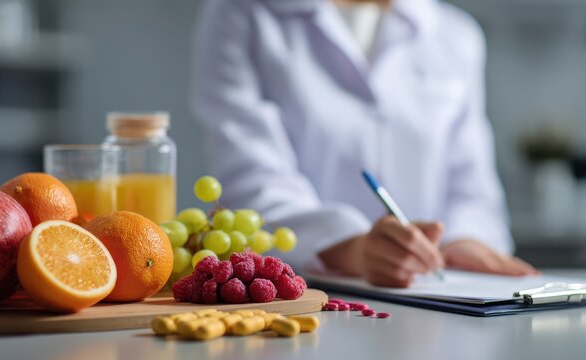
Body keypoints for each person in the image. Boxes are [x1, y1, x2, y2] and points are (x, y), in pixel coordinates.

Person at [191, 0, 539, 287]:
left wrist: (463, 241)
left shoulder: (455, 34)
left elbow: (472, 185)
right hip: (309, 297)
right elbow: (253, 175)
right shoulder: (243, 12)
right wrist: (351, 246)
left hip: (437, 299)